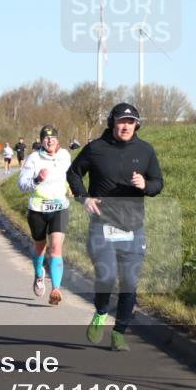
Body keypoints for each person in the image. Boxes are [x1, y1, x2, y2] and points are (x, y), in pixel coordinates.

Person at [67, 102, 164, 351]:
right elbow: (74, 173)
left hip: (133, 227)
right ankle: (100, 311)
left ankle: (119, 333)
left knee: (129, 283)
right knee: (107, 275)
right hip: (102, 225)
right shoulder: (96, 149)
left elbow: (157, 183)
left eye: (131, 122)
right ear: (112, 122)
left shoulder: (145, 150)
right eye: (122, 121)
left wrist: (145, 185)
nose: (126, 126)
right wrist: (83, 197)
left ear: (137, 125)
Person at [17, 125, 72, 305]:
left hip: (59, 207)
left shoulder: (65, 156)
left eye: (53, 137)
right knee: (40, 247)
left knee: (56, 247)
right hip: (38, 209)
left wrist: (71, 187)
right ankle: (39, 273)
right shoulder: (33, 158)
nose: (50, 140)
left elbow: (70, 175)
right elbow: (21, 184)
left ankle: (56, 288)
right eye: (46, 138)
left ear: (58, 140)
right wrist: (37, 179)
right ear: (41, 141)